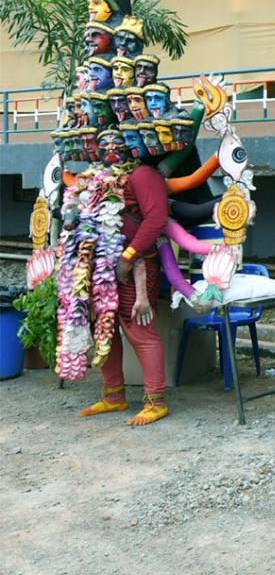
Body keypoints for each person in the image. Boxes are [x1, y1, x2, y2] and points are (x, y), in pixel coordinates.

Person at [78, 128, 171, 425]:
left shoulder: (144, 175)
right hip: (101, 267)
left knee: (140, 330)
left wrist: (129, 256)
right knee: (103, 328)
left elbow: (156, 219)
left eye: (117, 142)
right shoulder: (96, 177)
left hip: (136, 266)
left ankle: (156, 401)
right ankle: (113, 396)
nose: (109, 148)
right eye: (102, 143)